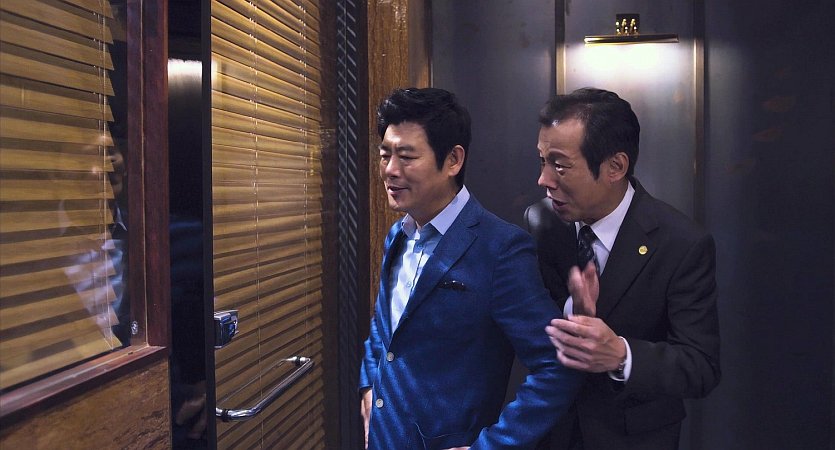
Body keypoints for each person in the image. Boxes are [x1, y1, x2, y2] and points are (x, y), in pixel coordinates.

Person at [359, 87, 582, 450]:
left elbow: (556, 366)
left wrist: (493, 446)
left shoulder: (501, 248)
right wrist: (369, 386)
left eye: (407, 156)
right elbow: (385, 328)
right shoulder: (397, 236)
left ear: (453, 160)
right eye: (385, 155)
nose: (390, 170)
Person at [524, 88, 721, 449]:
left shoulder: (680, 243)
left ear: (615, 167)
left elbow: (700, 366)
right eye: (542, 161)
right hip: (553, 433)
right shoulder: (542, 222)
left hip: (633, 437)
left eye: (560, 165)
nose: (544, 180)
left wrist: (621, 355)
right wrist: (571, 313)